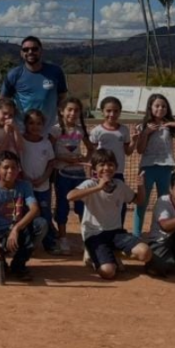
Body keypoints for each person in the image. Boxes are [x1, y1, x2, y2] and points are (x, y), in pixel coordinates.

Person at [66, 149, 151, 280]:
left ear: (116, 167)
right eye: (102, 165)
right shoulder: (89, 184)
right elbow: (70, 196)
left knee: (145, 253)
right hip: (94, 234)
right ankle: (94, 256)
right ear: (94, 169)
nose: (106, 168)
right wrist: (98, 187)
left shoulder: (120, 185)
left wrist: (141, 186)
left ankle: (112, 254)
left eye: (110, 165)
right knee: (107, 272)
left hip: (116, 233)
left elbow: (139, 201)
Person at [132, 93, 175, 238]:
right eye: (157, 106)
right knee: (142, 202)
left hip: (166, 169)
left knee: (165, 203)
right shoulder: (143, 126)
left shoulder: (170, 127)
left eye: (164, 106)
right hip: (148, 168)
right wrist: (146, 132)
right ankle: (136, 235)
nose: (160, 108)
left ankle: (162, 233)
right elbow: (139, 150)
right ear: (150, 108)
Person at [0, 152, 46, 281]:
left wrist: (16, 229)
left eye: (14, 167)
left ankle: (18, 265)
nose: (10, 171)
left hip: (18, 230)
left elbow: (34, 209)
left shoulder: (24, 186)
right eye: (6, 167)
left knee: (41, 224)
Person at [51, 97, 91, 255]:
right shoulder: (55, 130)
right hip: (62, 174)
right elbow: (49, 152)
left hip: (79, 175)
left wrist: (84, 160)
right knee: (62, 206)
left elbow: (90, 149)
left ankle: (85, 238)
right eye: (69, 110)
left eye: (76, 110)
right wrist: (64, 159)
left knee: (82, 207)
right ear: (62, 112)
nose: (73, 113)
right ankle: (63, 238)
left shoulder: (81, 130)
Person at [1, 35, 68, 130]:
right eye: (26, 49)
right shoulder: (14, 74)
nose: (30, 52)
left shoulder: (56, 72)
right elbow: (3, 101)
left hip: (49, 130)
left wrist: (62, 120)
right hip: (23, 131)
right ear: (21, 53)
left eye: (34, 49)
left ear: (41, 51)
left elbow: (62, 98)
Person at [89, 96, 134, 225]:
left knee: (119, 202)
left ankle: (118, 228)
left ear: (120, 112)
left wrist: (135, 141)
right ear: (102, 111)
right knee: (100, 201)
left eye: (115, 111)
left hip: (118, 172)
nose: (112, 114)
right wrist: (91, 172)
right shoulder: (97, 131)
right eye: (108, 111)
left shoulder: (124, 130)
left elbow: (128, 151)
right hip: (100, 173)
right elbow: (92, 153)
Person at [20, 109, 58, 254]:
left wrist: (43, 178)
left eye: (38, 123)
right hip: (25, 187)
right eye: (31, 123)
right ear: (25, 124)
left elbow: (51, 163)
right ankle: (26, 243)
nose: (35, 126)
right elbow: (18, 162)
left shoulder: (46, 143)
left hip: (43, 187)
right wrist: (26, 178)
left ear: (43, 125)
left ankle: (50, 243)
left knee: (45, 215)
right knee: (25, 214)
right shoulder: (21, 141)